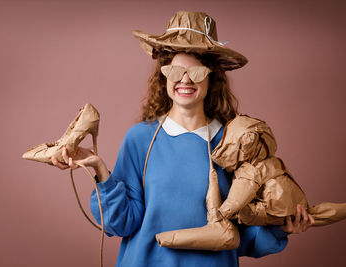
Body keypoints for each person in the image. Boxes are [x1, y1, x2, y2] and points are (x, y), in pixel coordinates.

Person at [51, 10, 313, 267]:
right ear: (162, 76)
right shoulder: (140, 139)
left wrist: (281, 226)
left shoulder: (235, 142)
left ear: (212, 78)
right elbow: (122, 222)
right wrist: (99, 168)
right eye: (175, 72)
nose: (185, 80)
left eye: (196, 72)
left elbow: (239, 235)